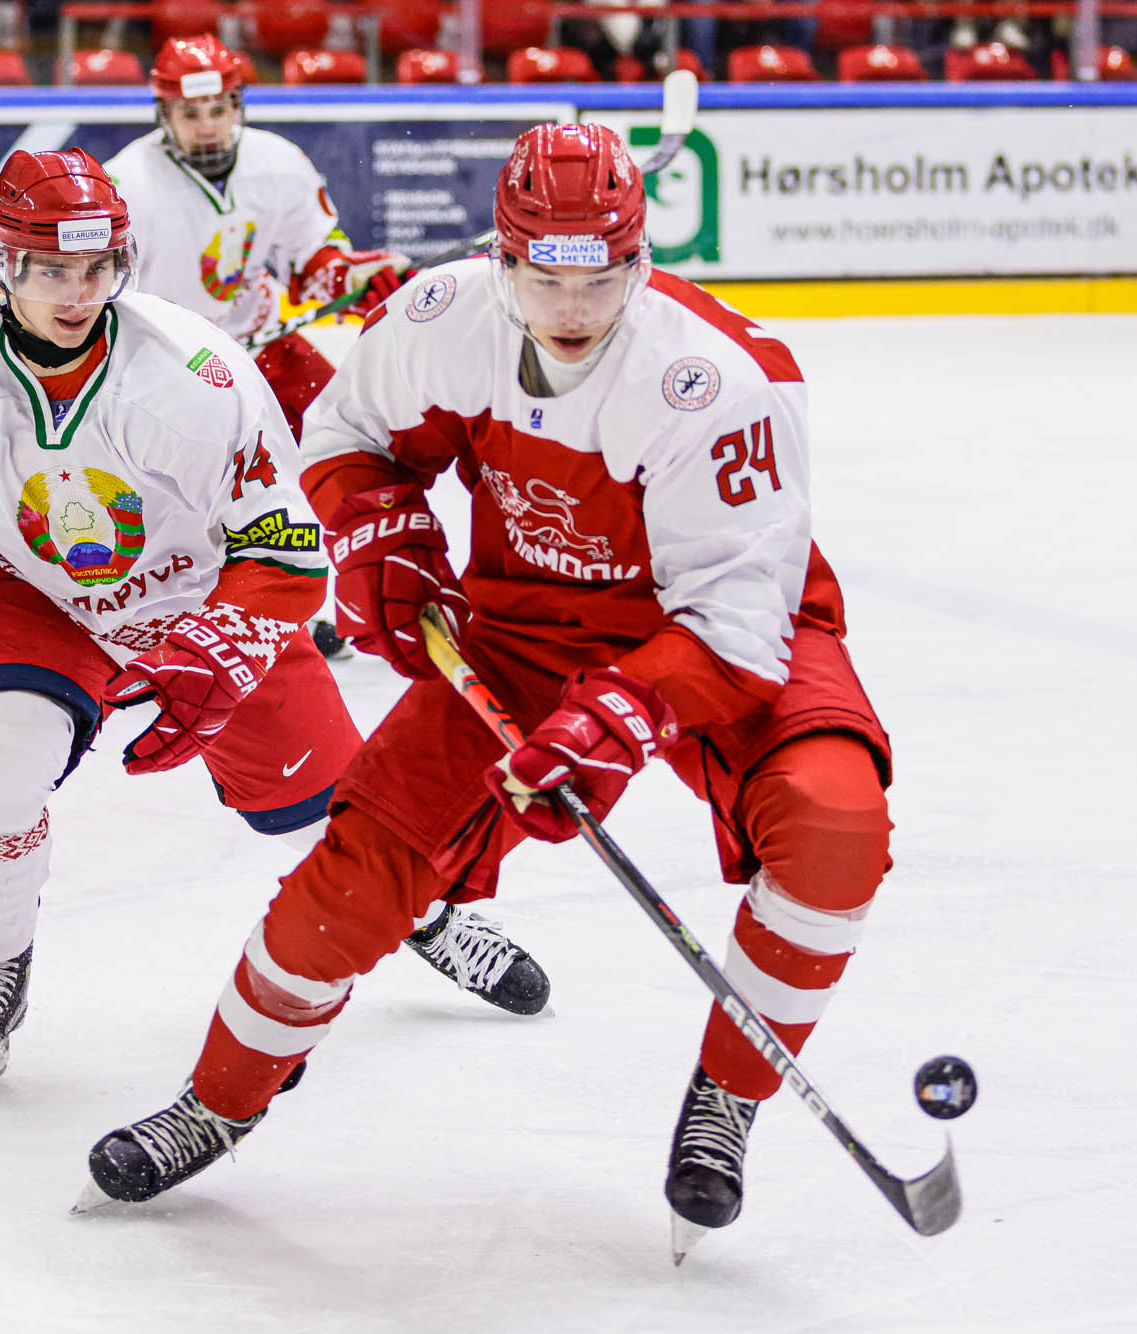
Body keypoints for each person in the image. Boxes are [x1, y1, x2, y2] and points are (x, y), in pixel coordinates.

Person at [76, 123, 894, 1260]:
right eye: (542, 277)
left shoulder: (720, 383)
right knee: (354, 873)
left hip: (714, 636)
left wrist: (625, 710)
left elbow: (742, 621)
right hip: (520, 629)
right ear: (500, 257)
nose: (570, 305)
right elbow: (347, 433)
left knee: (836, 822)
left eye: (599, 277)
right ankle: (218, 1097)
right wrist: (381, 531)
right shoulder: (438, 318)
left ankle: (728, 1092)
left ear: (638, 259)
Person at [0, 149, 548, 1088]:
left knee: (336, 823)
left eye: (95, 269)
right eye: (50, 269)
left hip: (207, 597)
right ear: (1, 264)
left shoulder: (194, 374)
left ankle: (428, 920)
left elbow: (284, 544)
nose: (76, 292)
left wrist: (223, 641)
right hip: (50, 605)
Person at [102, 34, 410, 445]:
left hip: (263, 343)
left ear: (237, 106)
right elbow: (104, 297)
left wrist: (348, 279)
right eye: (190, 114)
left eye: (218, 110)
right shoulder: (125, 186)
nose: (208, 127)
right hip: (166, 361)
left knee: (352, 437)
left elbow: (309, 255)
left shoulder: (278, 161)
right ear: (165, 113)